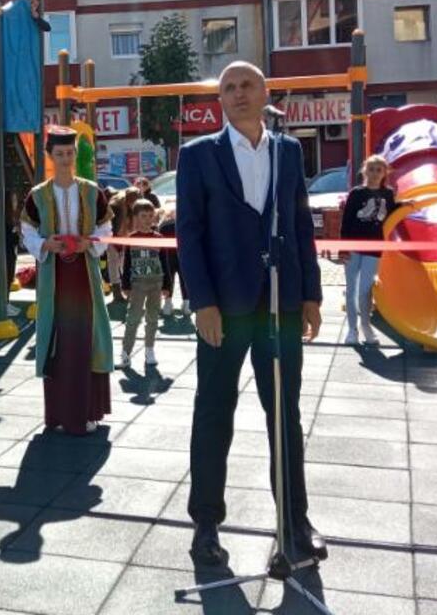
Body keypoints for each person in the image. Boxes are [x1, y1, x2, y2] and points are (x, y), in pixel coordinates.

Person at [177, 61, 325, 567]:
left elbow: (301, 225)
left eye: (247, 85)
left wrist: (311, 295)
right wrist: (202, 302)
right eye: (229, 87)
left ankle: (295, 520)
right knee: (213, 413)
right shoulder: (198, 155)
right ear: (220, 98)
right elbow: (189, 233)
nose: (238, 93)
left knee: (285, 414)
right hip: (223, 308)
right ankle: (205, 524)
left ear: (265, 93)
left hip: (280, 305)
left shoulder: (288, 151)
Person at [20, 126, 114, 435]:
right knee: (58, 342)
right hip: (54, 278)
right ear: (49, 156)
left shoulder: (92, 191)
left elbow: (106, 227)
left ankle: (87, 411)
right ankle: (59, 414)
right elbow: (27, 230)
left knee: (85, 339)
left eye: (70, 153)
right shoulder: (37, 195)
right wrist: (44, 244)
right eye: (59, 154)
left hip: (84, 275)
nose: (65, 159)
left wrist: (90, 243)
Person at [339, 155, 400, 347]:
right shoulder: (357, 193)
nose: (374, 173)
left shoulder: (388, 194)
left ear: (385, 173)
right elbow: (346, 221)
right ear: (365, 171)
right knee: (351, 289)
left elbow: (392, 212)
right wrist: (343, 248)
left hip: (374, 247)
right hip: (353, 246)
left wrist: (404, 205)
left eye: (379, 170)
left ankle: (366, 326)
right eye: (371, 169)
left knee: (365, 290)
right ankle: (352, 330)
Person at [118, 199, 172, 369]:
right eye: (143, 216)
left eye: (150, 216)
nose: (147, 219)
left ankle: (149, 350)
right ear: (135, 217)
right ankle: (126, 353)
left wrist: (167, 286)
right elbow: (126, 263)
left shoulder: (159, 238)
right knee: (133, 318)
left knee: (153, 318)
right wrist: (125, 285)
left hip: (156, 284)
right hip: (137, 285)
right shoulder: (131, 239)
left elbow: (165, 263)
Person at [107, 187, 141, 302]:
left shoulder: (136, 208)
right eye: (132, 201)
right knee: (113, 264)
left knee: (126, 265)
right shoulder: (115, 206)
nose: (133, 204)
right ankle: (116, 292)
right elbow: (110, 225)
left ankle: (129, 291)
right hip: (114, 238)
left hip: (127, 239)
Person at [158, 207, 191, 317]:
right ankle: (187, 304)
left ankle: (167, 305)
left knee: (168, 280)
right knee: (185, 281)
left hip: (167, 257)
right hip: (183, 256)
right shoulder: (185, 224)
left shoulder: (163, 226)